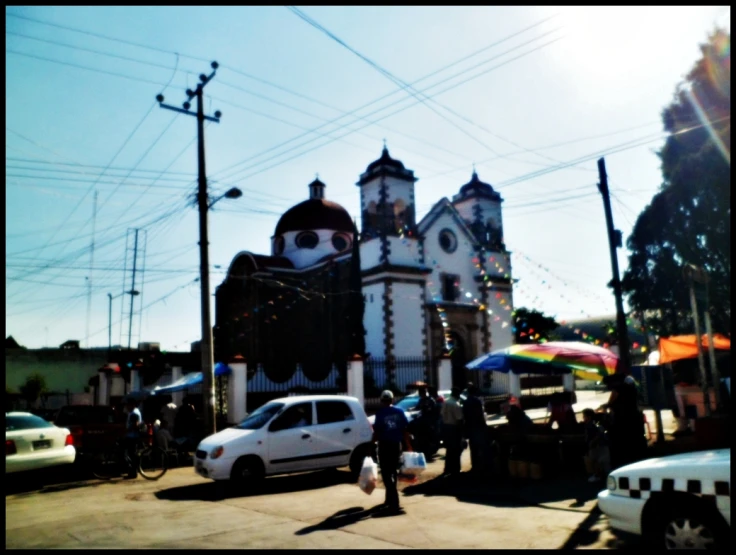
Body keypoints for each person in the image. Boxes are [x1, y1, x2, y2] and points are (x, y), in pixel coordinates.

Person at [372, 390, 413, 514]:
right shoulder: (399, 412)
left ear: (381, 400)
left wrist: (370, 445)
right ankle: (389, 499)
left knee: (386, 473)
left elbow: (377, 432)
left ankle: (394, 501)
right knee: (393, 472)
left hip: (385, 446)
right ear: (392, 399)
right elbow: (405, 430)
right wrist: (408, 445)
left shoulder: (380, 414)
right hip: (396, 446)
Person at [462, 383, 488, 477]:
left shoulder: (466, 402)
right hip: (478, 426)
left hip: (470, 426)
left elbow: (464, 416)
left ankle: (475, 466)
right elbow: (480, 415)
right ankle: (481, 467)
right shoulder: (477, 401)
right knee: (481, 447)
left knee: (473, 448)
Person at [582, 409, 610, 483]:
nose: (583, 418)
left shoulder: (593, 425)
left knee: (597, 461)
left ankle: (598, 476)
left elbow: (599, 434)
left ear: (589, 417)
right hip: (597, 446)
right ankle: (599, 475)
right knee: (597, 461)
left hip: (598, 446)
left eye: (584, 416)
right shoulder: (591, 424)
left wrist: (592, 442)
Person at [440, 386, 464, 476]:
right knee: (456, 450)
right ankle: (456, 470)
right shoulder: (455, 404)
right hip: (454, 428)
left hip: (446, 427)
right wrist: (462, 432)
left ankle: (447, 468)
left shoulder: (446, 401)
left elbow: (442, 415)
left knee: (449, 449)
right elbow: (459, 419)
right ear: (457, 394)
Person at [123, 399, 143, 479]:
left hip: (132, 436)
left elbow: (135, 425)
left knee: (130, 454)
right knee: (131, 454)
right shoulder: (133, 412)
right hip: (132, 436)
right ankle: (132, 471)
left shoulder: (134, 413)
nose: (126, 407)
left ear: (132, 405)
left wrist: (126, 431)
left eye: (128, 405)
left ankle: (132, 472)